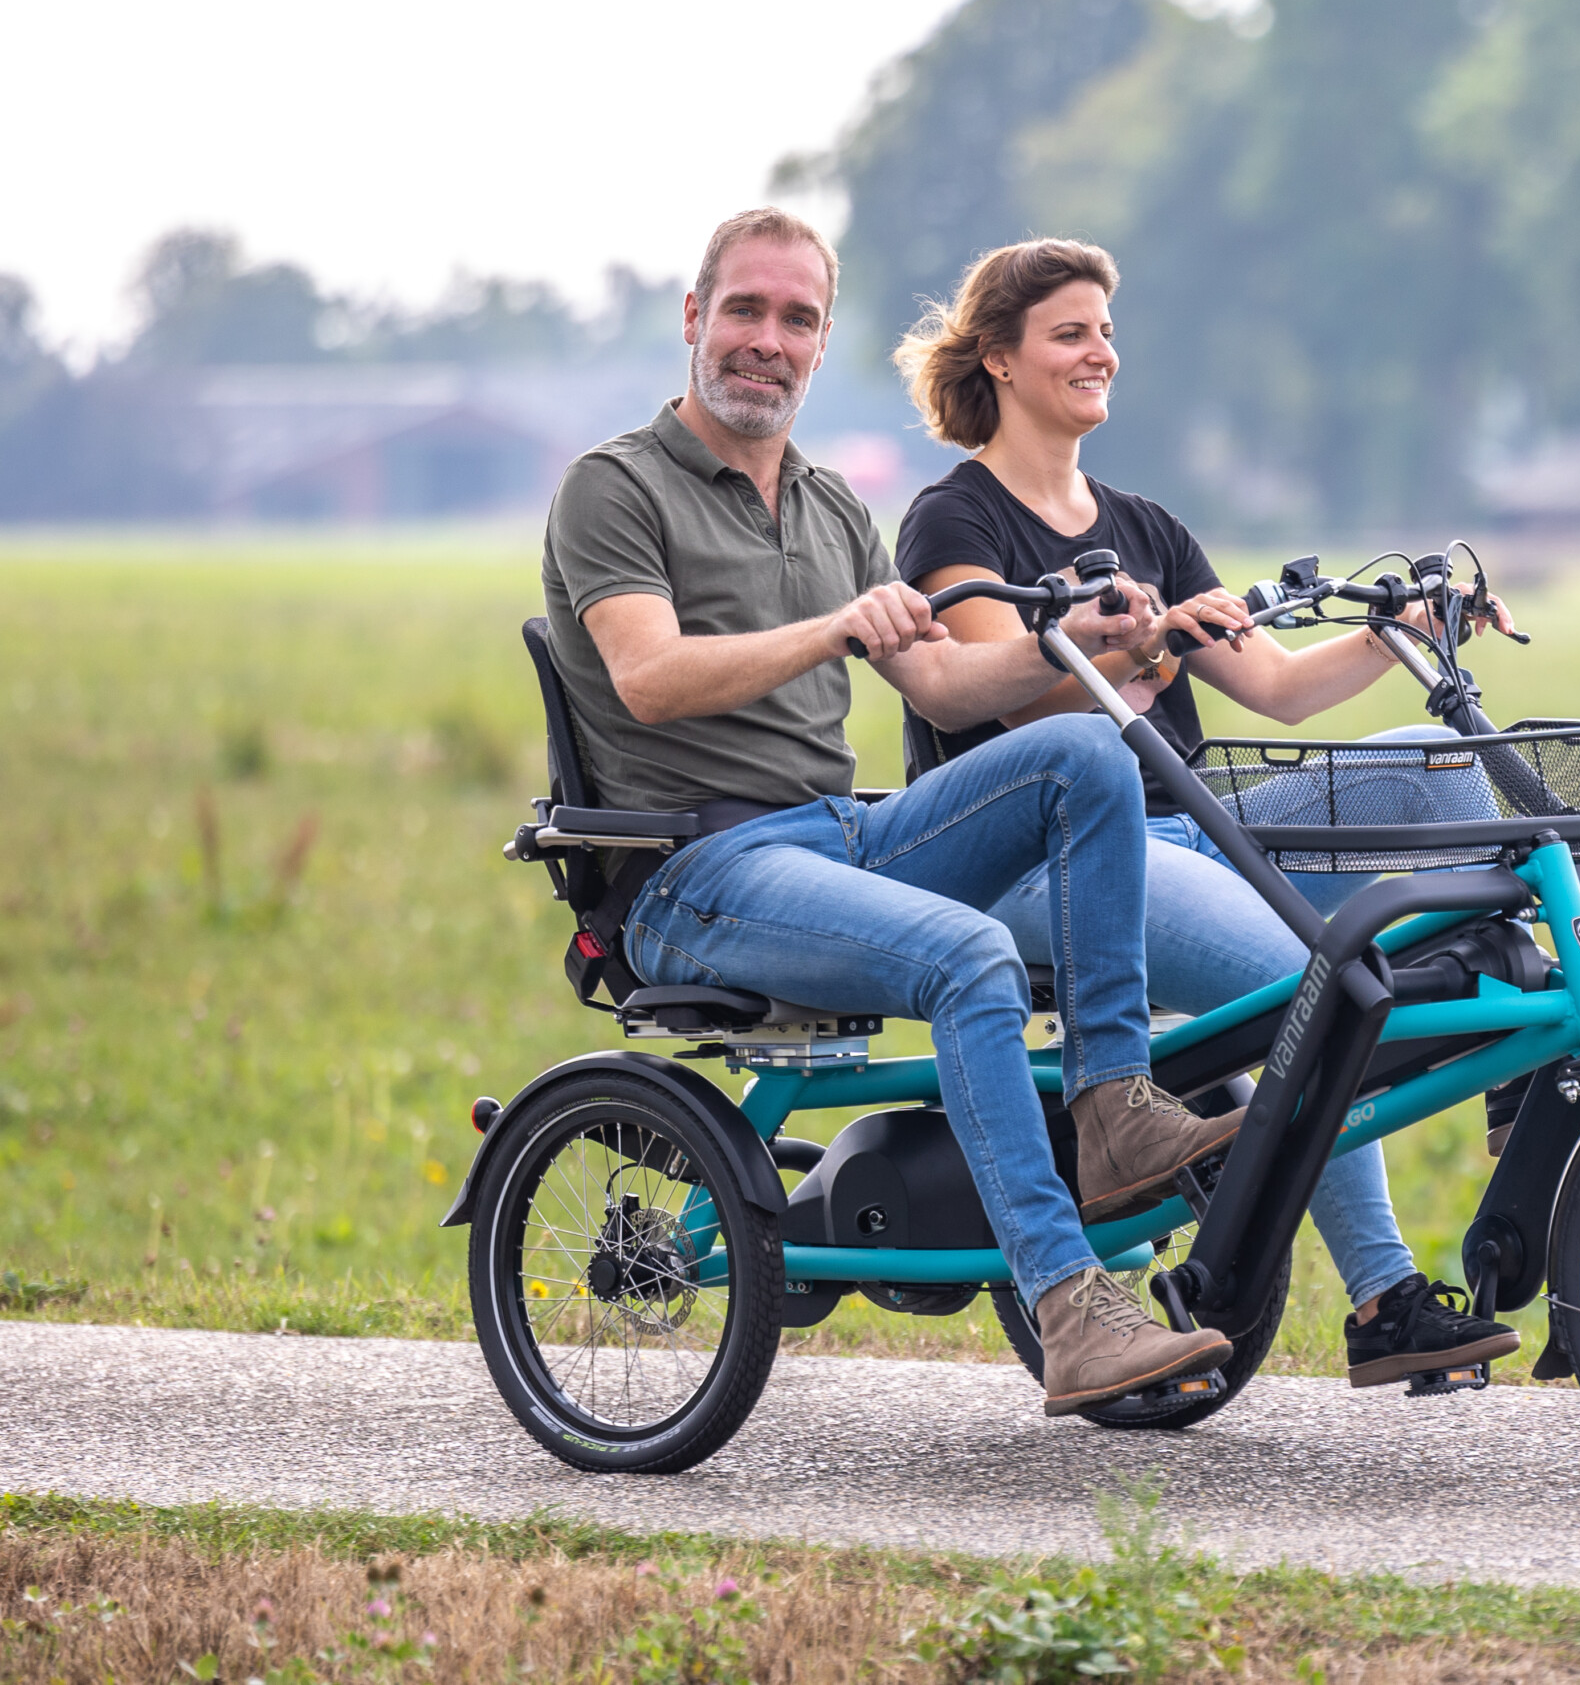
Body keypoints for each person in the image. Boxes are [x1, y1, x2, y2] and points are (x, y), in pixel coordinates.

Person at [539, 207, 1240, 1418]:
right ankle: (1069, 1307)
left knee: (1083, 751)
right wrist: (829, 630)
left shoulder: (829, 506)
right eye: (746, 310)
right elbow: (647, 680)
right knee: (970, 955)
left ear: (821, 344)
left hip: (837, 835)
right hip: (694, 872)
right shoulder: (616, 486)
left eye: (797, 319)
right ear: (695, 318)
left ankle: (1113, 1111)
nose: (768, 340)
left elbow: (946, 686)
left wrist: (1071, 646)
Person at [889, 238, 1519, 1389]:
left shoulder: (1145, 523)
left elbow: (1275, 687)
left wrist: (1398, 633)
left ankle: (1518, 1054)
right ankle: (1383, 1299)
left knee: (1433, 757)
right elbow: (1002, 702)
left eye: (1106, 330)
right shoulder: (954, 523)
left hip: (1189, 827)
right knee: (1314, 986)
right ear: (1000, 360)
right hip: (1048, 861)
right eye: (1070, 333)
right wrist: (1141, 646)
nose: (1100, 352)